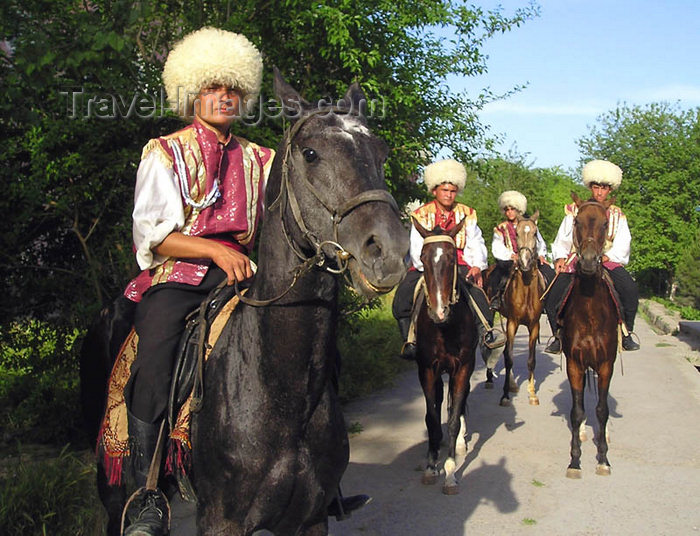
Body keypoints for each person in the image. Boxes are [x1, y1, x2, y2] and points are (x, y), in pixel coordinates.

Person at [119, 28, 362, 534]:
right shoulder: (165, 151)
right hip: (180, 275)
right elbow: (152, 233)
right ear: (192, 92)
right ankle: (144, 493)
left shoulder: (262, 158)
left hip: (248, 274)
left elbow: (286, 219)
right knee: (156, 352)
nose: (223, 96)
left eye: (232, 88)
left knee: (319, 349)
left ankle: (322, 478)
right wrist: (212, 248)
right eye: (212, 87)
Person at [392, 158, 505, 363]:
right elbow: (416, 246)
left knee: (479, 299)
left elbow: (476, 242)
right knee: (402, 299)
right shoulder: (421, 215)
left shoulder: (467, 214)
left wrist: (477, 266)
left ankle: (486, 337)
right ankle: (410, 341)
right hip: (426, 266)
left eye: (452, 191)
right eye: (444, 190)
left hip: (458, 265)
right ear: (434, 190)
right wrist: (426, 267)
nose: (449, 195)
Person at [543, 159, 640, 354]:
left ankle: (627, 332)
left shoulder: (617, 214)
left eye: (604, 188)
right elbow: (563, 237)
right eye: (596, 187)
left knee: (630, 291)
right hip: (577, 258)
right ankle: (558, 336)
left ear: (610, 191)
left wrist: (608, 256)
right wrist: (560, 257)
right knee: (551, 296)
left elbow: (623, 241)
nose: (599, 192)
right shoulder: (574, 210)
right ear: (590, 188)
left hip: (607, 260)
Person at [488, 190, 555, 310]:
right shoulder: (501, 228)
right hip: (509, 261)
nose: (509, 212)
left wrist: (541, 254)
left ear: (519, 209)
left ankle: (549, 301)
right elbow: (497, 246)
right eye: (507, 209)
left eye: (512, 209)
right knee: (497, 276)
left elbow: (538, 241)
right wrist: (510, 255)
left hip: (530, 258)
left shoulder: (529, 225)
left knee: (549, 273)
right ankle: (496, 299)